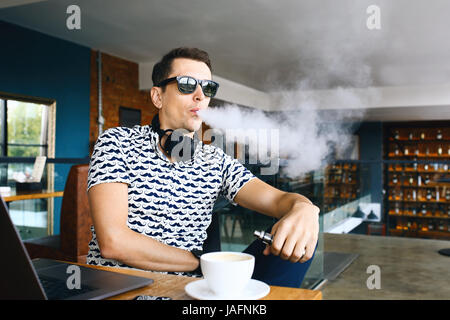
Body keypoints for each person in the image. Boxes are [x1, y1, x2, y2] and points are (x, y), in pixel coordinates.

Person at [87, 47, 319, 288]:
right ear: (158, 96)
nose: (200, 96)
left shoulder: (215, 160)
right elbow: (113, 242)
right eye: (187, 85)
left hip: (194, 292)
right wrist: (200, 263)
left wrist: (304, 208)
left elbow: (279, 200)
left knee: (299, 235)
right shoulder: (117, 142)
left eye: (207, 88)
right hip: (123, 289)